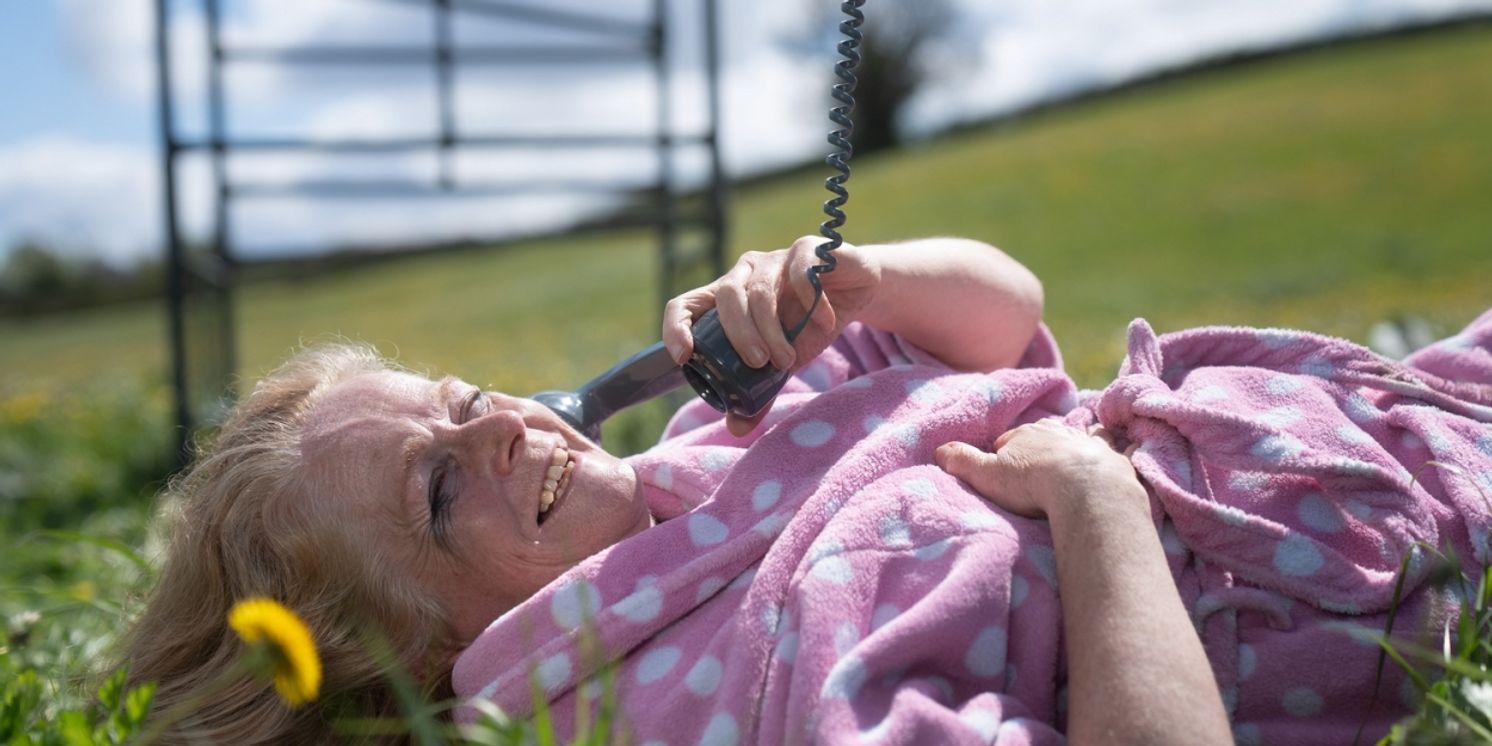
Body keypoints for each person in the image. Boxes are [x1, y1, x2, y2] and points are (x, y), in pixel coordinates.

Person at [122, 235, 1492, 745]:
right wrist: (1092, 500)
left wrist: (867, 283)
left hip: (1367, 403)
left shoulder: (695, 466)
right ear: (412, 652)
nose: (505, 432)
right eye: (436, 488)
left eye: (471, 399)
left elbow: (1008, 317)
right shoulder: (741, 674)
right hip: (1406, 528)